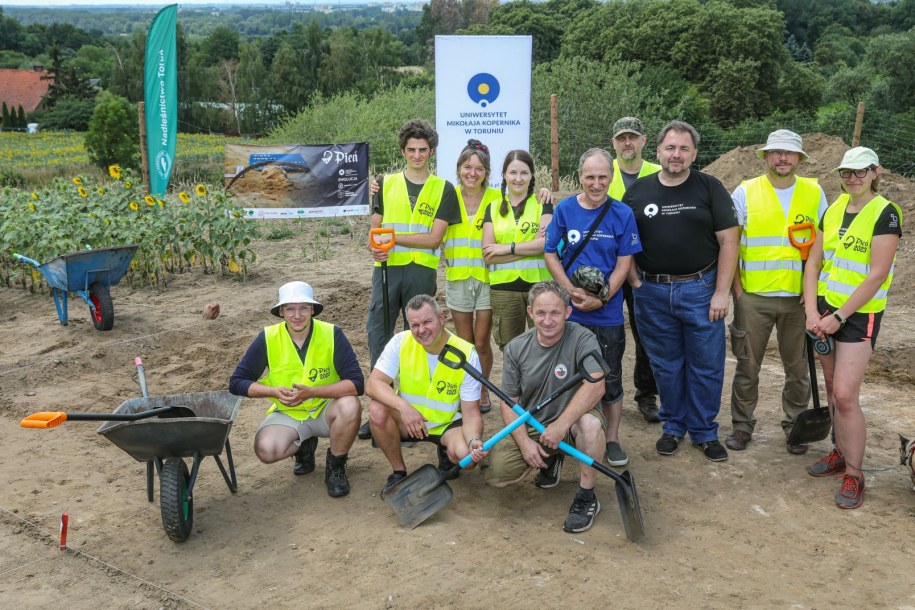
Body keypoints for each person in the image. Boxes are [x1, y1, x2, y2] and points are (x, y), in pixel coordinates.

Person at [622, 120, 739, 462]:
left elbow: (729, 241)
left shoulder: (710, 188)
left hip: (700, 290)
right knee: (666, 366)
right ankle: (673, 426)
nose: (676, 155)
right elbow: (624, 240)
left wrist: (721, 293)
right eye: (670, 148)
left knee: (706, 365)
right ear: (657, 151)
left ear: (694, 154)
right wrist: (634, 280)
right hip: (652, 293)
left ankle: (703, 432)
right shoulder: (638, 192)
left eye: (684, 149)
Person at [803, 147, 901, 509]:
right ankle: (839, 453)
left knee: (845, 395)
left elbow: (877, 274)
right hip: (826, 312)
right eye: (847, 172)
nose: (853, 178)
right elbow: (814, 264)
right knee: (830, 388)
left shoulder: (885, 213)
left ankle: (855, 474)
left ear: (875, 172)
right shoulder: (833, 209)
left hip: (858, 316)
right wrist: (812, 310)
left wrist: (838, 317)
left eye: (861, 172)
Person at [726, 130, 829, 455]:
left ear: (799, 158)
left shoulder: (814, 193)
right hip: (752, 299)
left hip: (798, 302)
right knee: (747, 367)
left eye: (789, 153)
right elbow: (730, 245)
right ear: (766, 156)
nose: (783, 158)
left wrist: (811, 296)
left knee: (798, 369)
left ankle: (795, 426)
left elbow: (823, 248)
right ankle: (742, 426)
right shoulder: (745, 192)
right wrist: (738, 291)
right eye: (776, 152)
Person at [359, 119, 461, 440]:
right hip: (388, 270)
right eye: (411, 150)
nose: (417, 155)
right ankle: (382, 407)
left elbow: (434, 239)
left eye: (423, 150)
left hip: (421, 273)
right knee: (379, 331)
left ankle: (414, 407)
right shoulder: (384, 183)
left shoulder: (443, 189)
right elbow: (375, 232)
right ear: (403, 151)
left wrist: (391, 237)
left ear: (431, 151)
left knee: (420, 334)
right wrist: (377, 247)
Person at [480, 280, 608, 533]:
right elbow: (509, 402)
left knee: (590, 426)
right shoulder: (516, 348)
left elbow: (597, 385)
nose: (547, 320)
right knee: (496, 473)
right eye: (540, 313)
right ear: (530, 312)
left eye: (555, 313)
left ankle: (586, 495)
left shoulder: (583, 338)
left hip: (572, 423)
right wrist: (524, 442)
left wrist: (562, 425)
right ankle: (550, 459)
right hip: (535, 424)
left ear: (567, 312)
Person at [544, 148, 642, 469]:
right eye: (590, 177)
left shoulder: (622, 214)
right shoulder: (566, 209)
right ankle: (561, 442)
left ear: (611, 178)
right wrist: (569, 290)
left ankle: (611, 439)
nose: (596, 183)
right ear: (580, 176)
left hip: (607, 315)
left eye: (602, 177)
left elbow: (624, 264)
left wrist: (602, 298)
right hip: (572, 314)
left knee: (610, 379)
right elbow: (550, 253)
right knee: (565, 379)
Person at [229, 281, 363, 497]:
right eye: (290, 308)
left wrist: (312, 392)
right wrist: (273, 392)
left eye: (303, 308)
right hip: (289, 413)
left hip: (325, 410)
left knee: (350, 405)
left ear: (312, 309)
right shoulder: (268, 337)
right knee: (266, 450)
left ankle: (335, 467)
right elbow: (237, 382)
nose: (297, 315)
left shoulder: (332, 334)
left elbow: (357, 383)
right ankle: (304, 448)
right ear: (281, 312)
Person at [367, 294, 488, 492]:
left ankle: (446, 450)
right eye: (414, 325)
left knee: (467, 459)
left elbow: (471, 412)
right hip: (408, 421)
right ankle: (399, 472)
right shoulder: (401, 342)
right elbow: (373, 384)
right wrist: (403, 407)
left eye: (427, 322)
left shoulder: (466, 353)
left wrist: (473, 439)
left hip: (447, 424)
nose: (421, 330)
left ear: (441, 318)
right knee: (377, 409)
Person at [609, 117, 663, 424]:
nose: (627, 143)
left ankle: (646, 395)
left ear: (644, 140)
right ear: (614, 143)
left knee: (647, 334)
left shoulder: (658, 173)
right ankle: (606, 391)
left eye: (633, 137)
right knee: (611, 333)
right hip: (612, 267)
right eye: (621, 138)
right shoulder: (606, 172)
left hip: (647, 268)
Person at [442, 139, 502, 413]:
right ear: (459, 169)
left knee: (481, 341)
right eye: (468, 167)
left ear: (486, 172)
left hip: (488, 280)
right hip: (457, 279)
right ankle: (468, 389)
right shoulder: (448, 196)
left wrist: (546, 192)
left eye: (479, 168)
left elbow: (527, 199)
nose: (473, 173)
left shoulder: (496, 198)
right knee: (464, 343)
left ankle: (483, 389)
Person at [481, 150, 553, 352]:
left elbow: (546, 244)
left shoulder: (542, 203)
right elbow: (487, 254)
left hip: (539, 287)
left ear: (532, 176)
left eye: (524, 173)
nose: (518, 178)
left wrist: (506, 248)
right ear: (504, 174)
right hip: (504, 290)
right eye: (513, 173)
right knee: (512, 351)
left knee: (545, 347)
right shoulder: (493, 207)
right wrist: (532, 248)